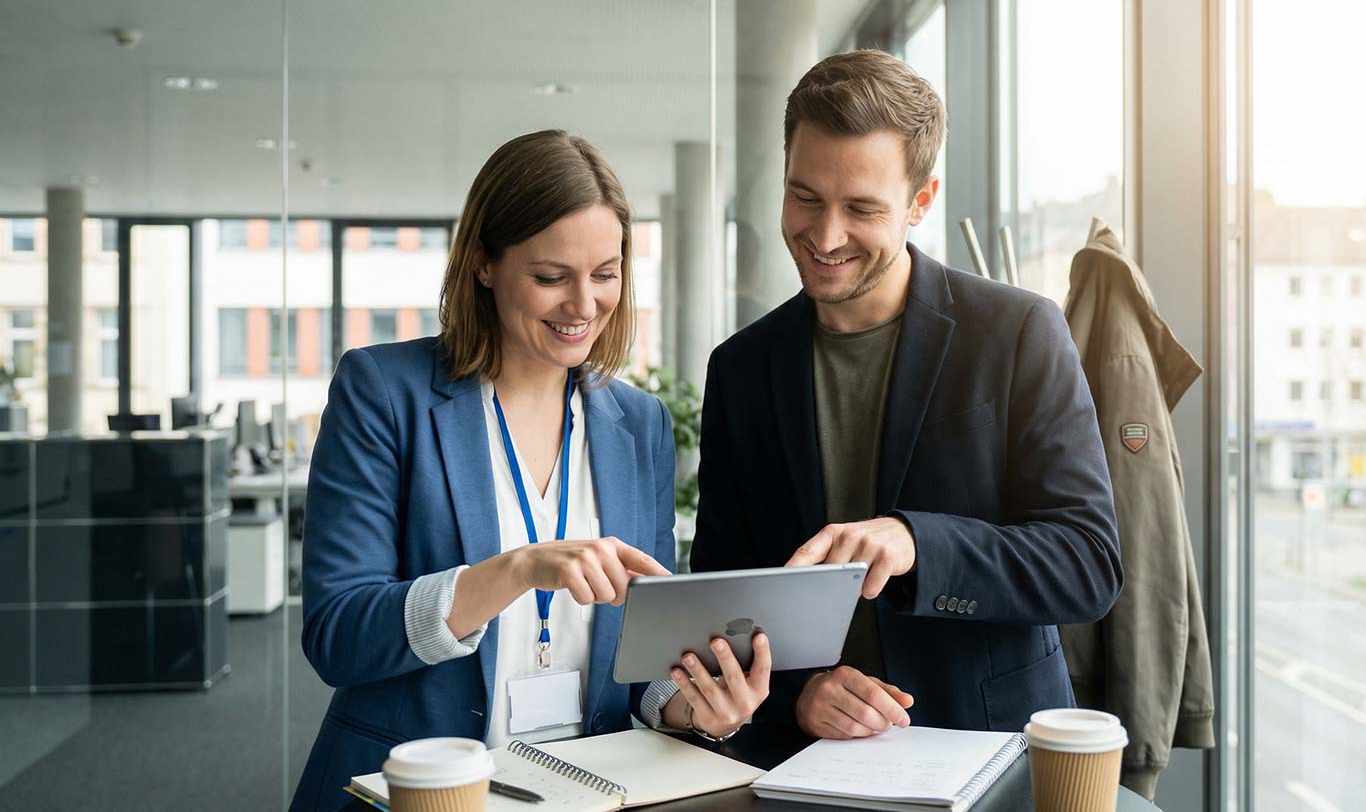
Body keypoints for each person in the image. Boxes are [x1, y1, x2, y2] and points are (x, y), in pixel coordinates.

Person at [292, 131, 769, 811]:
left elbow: (641, 665)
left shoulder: (641, 424)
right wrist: (515, 571)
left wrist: (695, 705)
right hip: (423, 792)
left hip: (586, 793)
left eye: (605, 274)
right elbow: (338, 636)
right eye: (551, 277)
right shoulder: (383, 392)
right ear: (484, 263)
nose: (584, 305)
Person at [690, 51, 1121, 740]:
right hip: (807, 763)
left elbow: (1087, 563)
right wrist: (796, 695)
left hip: (987, 752)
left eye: (862, 208)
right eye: (806, 197)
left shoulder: (1019, 332)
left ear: (921, 200)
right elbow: (722, 591)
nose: (825, 235)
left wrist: (918, 541)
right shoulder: (740, 369)